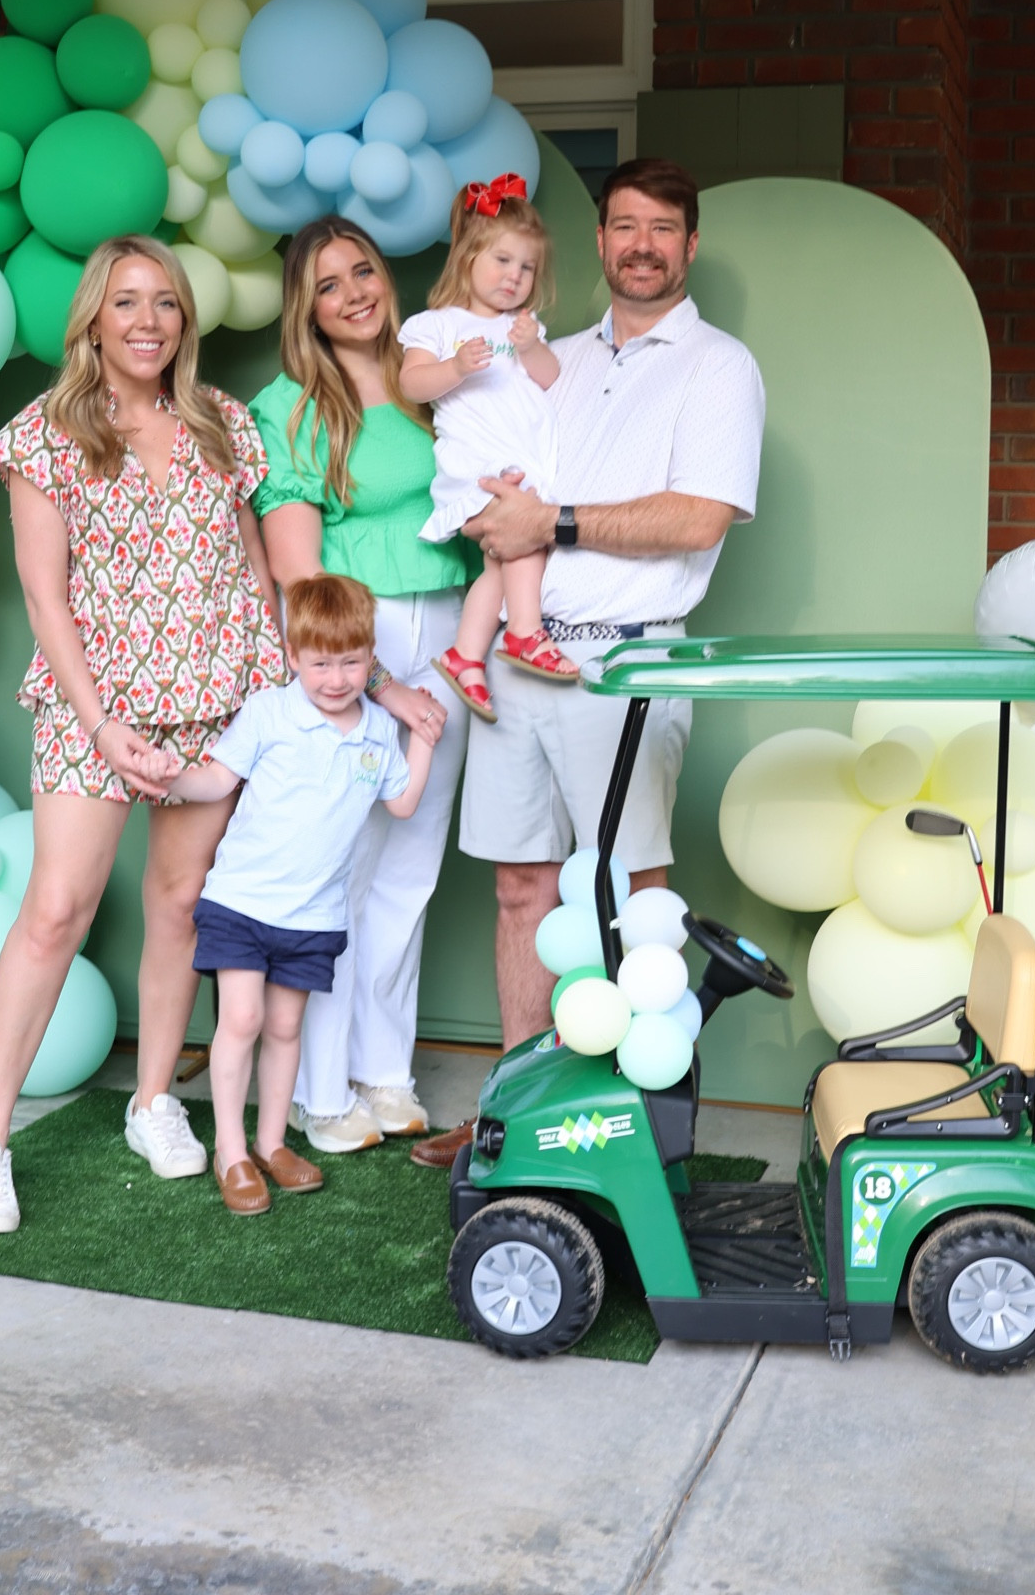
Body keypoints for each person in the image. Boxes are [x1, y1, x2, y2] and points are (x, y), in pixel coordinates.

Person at [411, 157, 766, 1167]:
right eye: (624, 225)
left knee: (632, 886)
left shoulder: (718, 366)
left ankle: (640, 1116)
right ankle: (515, 1111)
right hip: (519, 660)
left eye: (662, 226)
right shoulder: (543, 355)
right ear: (601, 240)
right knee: (521, 887)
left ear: (689, 246)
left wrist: (549, 520)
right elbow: (454, 427)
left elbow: (699, 515)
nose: (642, 243)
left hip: (624, 664)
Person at [0, 235, 286, 1234]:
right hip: (92, 705)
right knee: (57, 908)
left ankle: (152, 1101)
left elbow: (254, 573)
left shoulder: (223, 424)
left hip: (214, 702)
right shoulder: (45, 431)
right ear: (94, 316)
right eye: (128, 301)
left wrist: (269, 698)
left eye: (167, 304)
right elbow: (45, 599)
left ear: (186, 321)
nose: (148, 321)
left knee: (181, 903)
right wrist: (102, 728)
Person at [251, 217, 468, 1153]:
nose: (353, 293)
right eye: (327, 285)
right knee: (340, 873)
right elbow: (300, 580)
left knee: (411, 874)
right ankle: (318, 1088)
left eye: (363, 271)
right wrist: (376, 682)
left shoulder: (430, 375)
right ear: (305, 308)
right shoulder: (291, 403)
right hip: (355, 648)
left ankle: (386, 1073)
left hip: (453, 630)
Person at [154, 574, 437, 1213]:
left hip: (315, 913)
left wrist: (421, 738)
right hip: (243, 902)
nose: (336, 679)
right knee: (244, 1021)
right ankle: (231, 1151)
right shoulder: (271, 713)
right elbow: (217, 781)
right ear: (292, 657)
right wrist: (172, 778)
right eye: (319, 665)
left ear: (371, 659)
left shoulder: (373, 733)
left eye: (351, 663)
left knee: (286, 1028)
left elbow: (403, 803)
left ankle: (272, 1143)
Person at [398, 174, 577, 720]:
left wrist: (533, 347)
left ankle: (464, 654)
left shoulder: (523, 327)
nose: (514, 277)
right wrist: (454, 367)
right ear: (468, 258)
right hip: (476, 464)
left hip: (521, 463)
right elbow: (412, 385)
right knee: (522, 543)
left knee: (499, 563)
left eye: (526, 268)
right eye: (502, 261)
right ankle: (525, 632)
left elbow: (550, 379)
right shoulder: (436, 325)